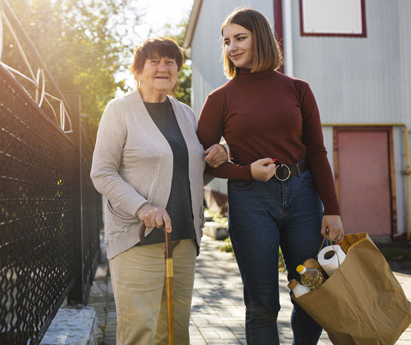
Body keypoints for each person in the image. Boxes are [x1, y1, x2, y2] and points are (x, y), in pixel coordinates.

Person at [196, 8, 345, 345]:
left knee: (311, 295)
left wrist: (332, 209)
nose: (231, 47)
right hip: (250, 201)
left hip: (305, 196)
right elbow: (201, 162)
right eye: (226, 41)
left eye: (240, 38)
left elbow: (318, 151)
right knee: (261, 304)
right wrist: (242, 170)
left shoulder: (298, 89)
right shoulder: (219, 99)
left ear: (260, 37)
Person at [90, 36, 227, 345]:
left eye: (170, 62)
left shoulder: (186, 113)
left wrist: (218, 156)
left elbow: (190, 174)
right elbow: (102, 172)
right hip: (138, 240)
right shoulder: (119, 111)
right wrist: (142, 207)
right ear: (138, 70)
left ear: (177, 70)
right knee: (140, 333)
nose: (163, 68)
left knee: (175, 333)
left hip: (183, 241)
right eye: (154, 61)